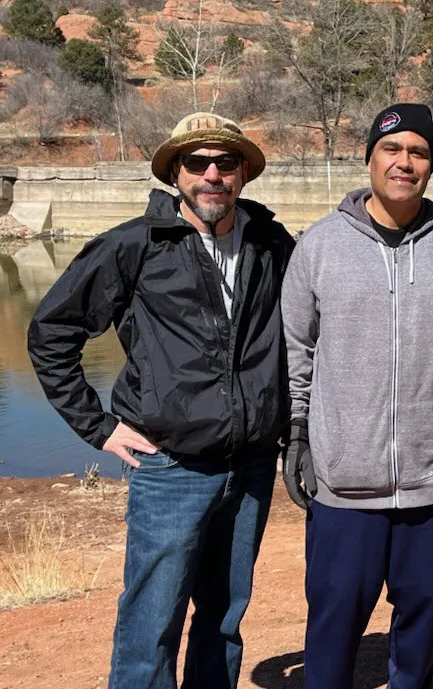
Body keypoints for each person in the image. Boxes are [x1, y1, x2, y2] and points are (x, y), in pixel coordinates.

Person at [27, 113, 294, 689]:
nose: (212, 175)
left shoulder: (272, 243)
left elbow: (303, 339)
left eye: (226, 162)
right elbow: (51, 333)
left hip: (249, 467)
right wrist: (97, 427)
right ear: (177, 172)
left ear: (244, 171)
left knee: (223, 619)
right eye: (197, 163)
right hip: (171, 467)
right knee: (152, 622)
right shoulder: (134, 245)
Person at [281, 102, 433, 689]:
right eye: (392, 149)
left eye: (419, 152)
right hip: (344, 482)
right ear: (369, 158)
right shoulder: (320, 246)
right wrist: (298, 432)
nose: (405, 162)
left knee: (422, 621)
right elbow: (295, 349)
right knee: (333, 624)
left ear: (431, 165)